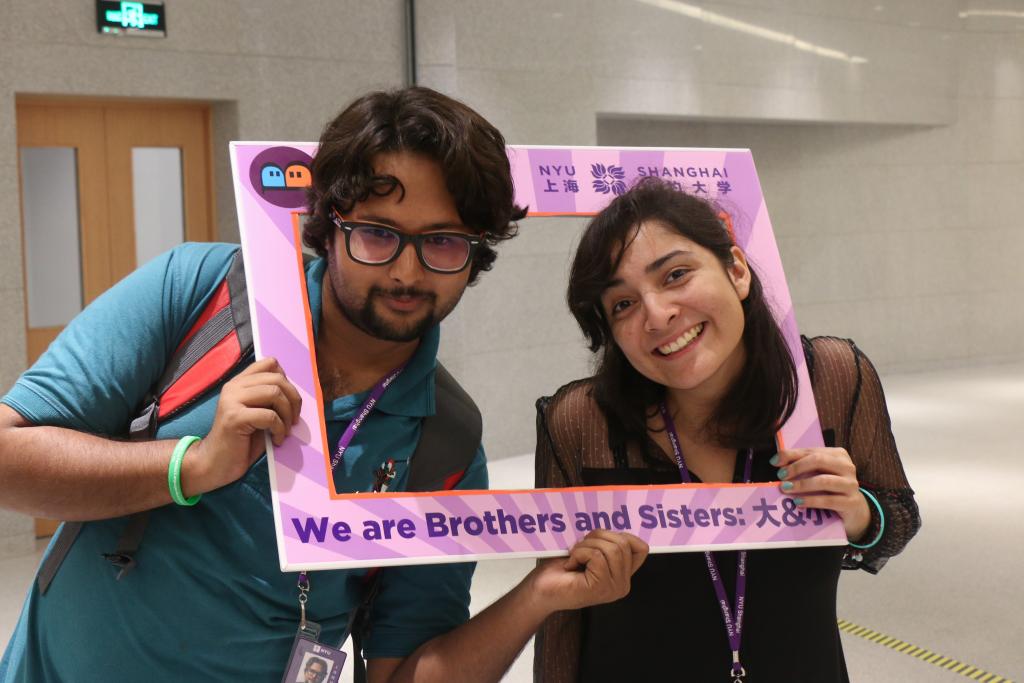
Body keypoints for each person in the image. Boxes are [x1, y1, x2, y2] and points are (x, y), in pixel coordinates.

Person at [0, 86, 647, 683]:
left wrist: (537, 595)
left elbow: (400, 672)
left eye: (444, 242)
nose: (405, 270)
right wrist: (189, 465)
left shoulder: (445, 442)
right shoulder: (205, 293)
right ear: (329, 224)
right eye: (376, 233)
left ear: (476, 255)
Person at [533, 177, 921, 682]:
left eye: (675, 275)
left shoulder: (828, 379)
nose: (657, 315)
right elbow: (561, 614)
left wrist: (859, 513)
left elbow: (898, 520)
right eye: (622, 305)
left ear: (737, 271)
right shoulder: (581, 419)